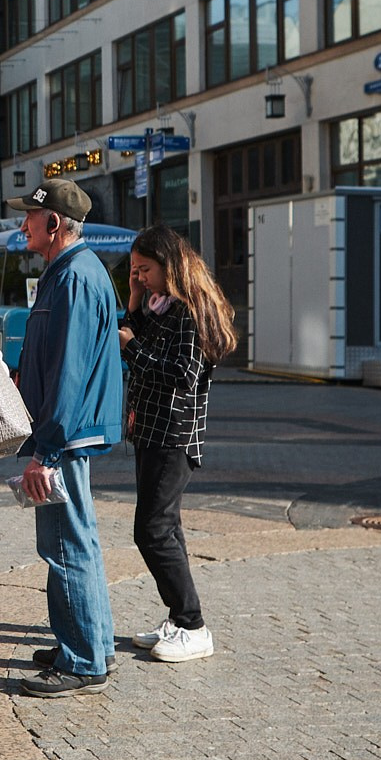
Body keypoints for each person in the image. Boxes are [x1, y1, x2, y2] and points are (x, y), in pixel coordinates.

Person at [10, 179, 124, 699]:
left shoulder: (73, 276)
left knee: (64, 545)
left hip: (65, 436)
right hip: (69, 432)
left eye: (30, 218)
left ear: (53, 223)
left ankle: (83, 660)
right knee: (78, 541)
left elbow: (69, 373)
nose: (23, 226)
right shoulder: (72, 271)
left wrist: (46, 452)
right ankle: (90, 645)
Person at [119, 225, 236, 664]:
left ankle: (192, 625)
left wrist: (132, 348)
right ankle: (179, 617)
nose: (139, 276)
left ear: (169, 266)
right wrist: (134, 301)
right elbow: (133, 335)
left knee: (151, 531)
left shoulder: (187, 311)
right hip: (152, 431)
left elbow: (182, 375)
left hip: (173, 434)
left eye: (145, 269)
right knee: (166, 529)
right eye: (134, 270)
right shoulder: (160, 306)